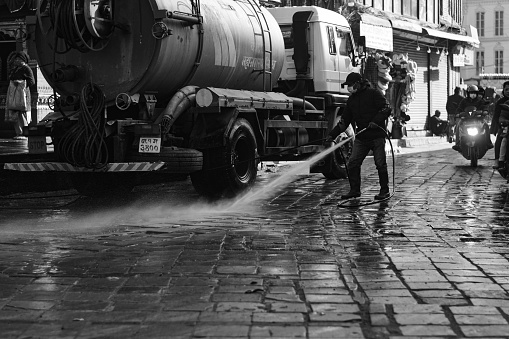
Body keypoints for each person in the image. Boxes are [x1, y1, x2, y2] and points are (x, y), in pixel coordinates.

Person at [326, 72, 392, 200]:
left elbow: (386, 108)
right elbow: (344, 121)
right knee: (353, 163)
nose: (348, 88)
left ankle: (385, 191)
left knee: (380, 164)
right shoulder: (351, 100)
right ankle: (354, 190)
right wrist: (332, 135)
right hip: (362, 137)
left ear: (357, 84)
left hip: (377, 135)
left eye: (350, 85)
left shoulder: (373, 94)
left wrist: (376, 121)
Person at [452, 84, 493, 151]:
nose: (473, 94)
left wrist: (485, 111)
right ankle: (458, 143)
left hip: (478, 119)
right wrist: (457, 114)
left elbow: (485, 106)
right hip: (466, 119)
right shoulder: (464, 101)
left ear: (477, 93)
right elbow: (459, 108)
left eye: (474, 93)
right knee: (458, 125)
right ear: (468, 93)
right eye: (471, 93)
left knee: (486, 125)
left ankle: (488, 142)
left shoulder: (480, 101)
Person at [5, 51, 34, 140]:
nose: (16, 61)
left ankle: (24, 132)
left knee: (22, 113)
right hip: (13, 93)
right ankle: (18, 132)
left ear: (23, 60)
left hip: (23, 94)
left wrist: (21, 84)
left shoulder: (26, 68)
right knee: (14, 113)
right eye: (16, 59)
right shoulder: (14, 69)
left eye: (18, 59)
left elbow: (32, 81)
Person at [491, 81, 509, 168]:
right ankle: (497, 160)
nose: (508, 91)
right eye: (506, 89)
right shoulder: (500, 102)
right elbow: (496, 115)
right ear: (503, 90)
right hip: (504, 125)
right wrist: (498, 125)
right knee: (499, 141)